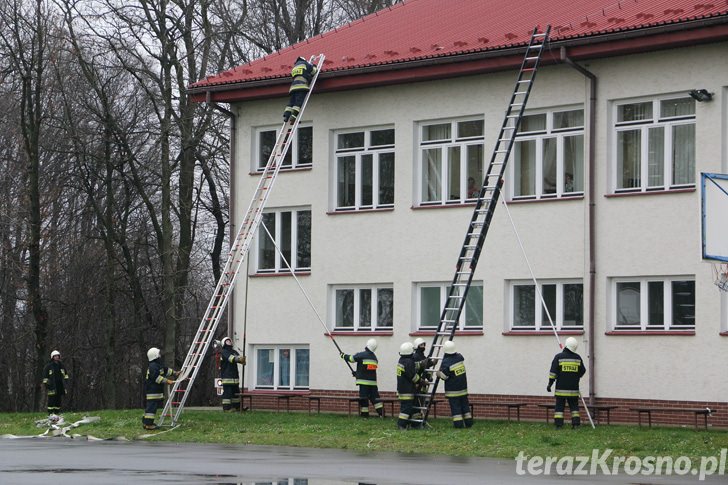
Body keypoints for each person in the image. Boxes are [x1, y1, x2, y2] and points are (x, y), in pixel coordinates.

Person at [547, 336, 586, 429]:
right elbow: (583, 370)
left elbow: (553, 373)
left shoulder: (559, 357)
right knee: (574, 408)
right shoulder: (577, 358)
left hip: (561, 389)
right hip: (573, 389)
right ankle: (576, 424)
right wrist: (576, 376)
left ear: (566, 345)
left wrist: (550, 384)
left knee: (559, 408)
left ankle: (559, 425)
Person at [341, 338, 383, 417]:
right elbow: (367, 370)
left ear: (367, 345)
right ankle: (382, 413)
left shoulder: (362, 355)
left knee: (364, 398)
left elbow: (351, 359)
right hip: (373, 383)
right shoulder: (375, 358)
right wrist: (357, 373)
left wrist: (343, 356)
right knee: (375, 398)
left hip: (364, 383)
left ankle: (365, 415)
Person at [436, 341, 473, 428]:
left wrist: (438, 373)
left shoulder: (446, 362)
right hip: (463, 389)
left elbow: (444, 376)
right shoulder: (459, 358)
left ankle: (459, 425)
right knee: (465, 407)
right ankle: (469, 423)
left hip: (453, 391)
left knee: (456, 408)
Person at [142, 347, 179, 430]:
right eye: (158, 354)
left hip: (155, 390)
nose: (160, 356)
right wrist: (167, 381)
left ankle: (146, 422)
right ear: (155, 356)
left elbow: (165, 370)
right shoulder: (153, 366)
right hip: (152, 391)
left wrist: (175, 373)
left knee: (151, 408)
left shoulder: (158, 365)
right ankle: (148, 425)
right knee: (151, 409)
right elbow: (156, 378)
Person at [396, 342, 423, 429]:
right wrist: (421, 381)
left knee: (414, 407)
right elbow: (412, 376)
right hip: (407, 390)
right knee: (406, 408)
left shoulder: (402, 360)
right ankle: (401, 424)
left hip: (403, 388)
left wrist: (423, 363)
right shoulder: (408, 362)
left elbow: (413, 366)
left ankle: (415, 424)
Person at [283, 56, 317, 123]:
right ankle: (293, 117)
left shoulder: (294, 68)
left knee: (291, 103)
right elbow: (313, 71)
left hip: (293, 88)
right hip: (301, 86)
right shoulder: (304, 64)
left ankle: (286, 116)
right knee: (298, 103)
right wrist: (314, 66)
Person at [220, 336, 246, 412]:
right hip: (227, 377)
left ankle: (237, 407)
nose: (229, 342)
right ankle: (227, 408)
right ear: (224, 343)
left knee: (236, 393)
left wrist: (243, 360)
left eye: (230, 341)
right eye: (227, 341)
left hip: (235, 377)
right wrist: (238, 359)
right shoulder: (224, 352)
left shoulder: (234, 351)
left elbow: (239, 359)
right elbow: (232, 358)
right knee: (227, 394)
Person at [42, 350, 69, 416]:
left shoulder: (61, 365)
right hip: (52, 386)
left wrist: (66, 382)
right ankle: (50, 413)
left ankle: (57, 412)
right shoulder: (48, 366)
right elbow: (45, 377)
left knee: (58, 399)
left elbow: (65, 374)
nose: (57, 357)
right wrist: (47, 385)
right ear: (52, 357)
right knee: (51, 400)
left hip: (60, 385)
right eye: (55, 356)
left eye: (58, 356)